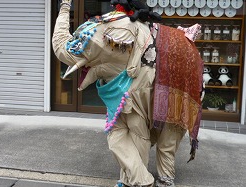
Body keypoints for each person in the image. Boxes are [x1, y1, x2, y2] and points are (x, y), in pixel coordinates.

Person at [52, 0, 203, 186]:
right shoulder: (116, 26)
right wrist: (65, 7)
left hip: (176, 88)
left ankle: (163, 179)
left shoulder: (128, 31)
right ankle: (137, 179)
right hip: (138, 86)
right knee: (123, 134)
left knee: (166, 144)